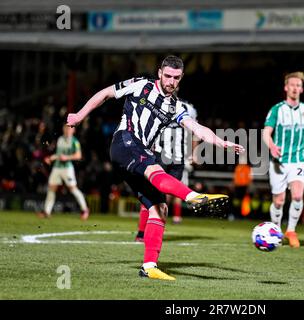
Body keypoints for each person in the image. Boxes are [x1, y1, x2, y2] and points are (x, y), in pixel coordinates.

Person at [66, 55, 244, 281]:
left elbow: (197, 128)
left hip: (139, 154)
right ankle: (194, 197)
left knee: (159, 208)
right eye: (167, 75)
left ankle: (149, 266)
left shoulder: (175, 106)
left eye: (176, 78)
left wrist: (221, 142)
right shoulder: (141, 84)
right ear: (160, 72)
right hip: (125, 142)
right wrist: (80, 115)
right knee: (155, 171)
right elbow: (106, 93)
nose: (171, 81)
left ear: (181, 79)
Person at [262, 71, 304, 248]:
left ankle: (291, 230)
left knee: (297, 195)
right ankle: (276, 231)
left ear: (301, 89)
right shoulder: (277, 109)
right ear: (286, 87)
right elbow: (266, 132)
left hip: (299, 159)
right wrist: (272, 146)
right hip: (279, 160)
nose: (295, 88)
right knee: (279, 201)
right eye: (292, 85)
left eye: (298, 85)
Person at [135, 97, 198, 242]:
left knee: (166, 198)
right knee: (150, 194)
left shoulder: (189, 108)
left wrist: (194, 153)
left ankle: (153, 234)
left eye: (176, 78)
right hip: (159, 155)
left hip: (178, 159)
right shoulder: (155, 103)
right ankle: (141, 232)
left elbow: (194, 132)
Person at [38, 124, 90, 220]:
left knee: (73, 189)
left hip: (67, 168)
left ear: (73, 130)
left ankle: (85, 209)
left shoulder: (74, 141)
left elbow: (78, 155)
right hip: (57, 167)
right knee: (51, 188)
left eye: (69, 128)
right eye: (65, 128)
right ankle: (47, 211)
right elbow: (58, 154)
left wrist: (67, 157)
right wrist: (50, 158)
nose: (66, 130)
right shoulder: (60, 139)